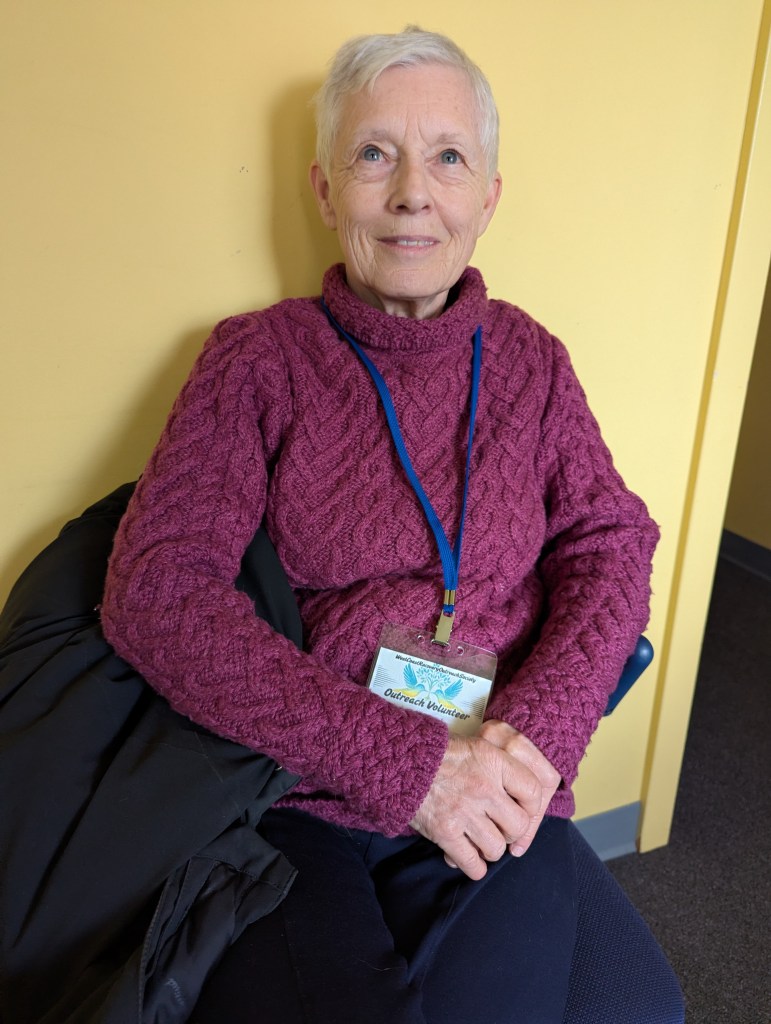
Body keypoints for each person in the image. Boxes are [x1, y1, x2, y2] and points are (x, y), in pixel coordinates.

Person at [101, 26, 684, 1024]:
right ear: (326, 192)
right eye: (375, 154)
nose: (414, 192)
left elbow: (611, 543)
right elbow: (155, 592)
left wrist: (530, 742)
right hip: (296, 793)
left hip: (495, 771)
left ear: (487, 195)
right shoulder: (257, 360)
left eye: (448, 157)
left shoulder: (532, 362)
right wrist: (407, 766)